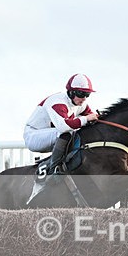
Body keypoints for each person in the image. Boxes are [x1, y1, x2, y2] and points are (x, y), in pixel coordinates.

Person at [24, 74, 99, 202]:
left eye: (87, 95)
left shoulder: (80, 104)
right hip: (34, 135)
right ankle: (54, 169)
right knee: (67, 132)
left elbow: (93, 117)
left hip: (49, 134)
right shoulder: (58, 102)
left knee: (76, 132)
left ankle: (61, 163)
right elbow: (64, 127)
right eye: (81, 94)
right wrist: (86, 119)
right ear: (71, 92)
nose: (84, 99)